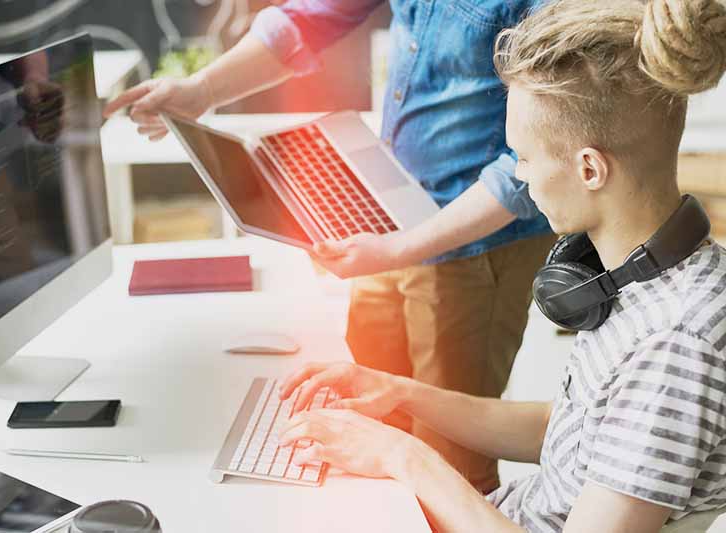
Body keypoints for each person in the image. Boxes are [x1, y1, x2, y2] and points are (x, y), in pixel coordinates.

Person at [275, 0, 726, 531]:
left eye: (524, 158)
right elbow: (566, 433)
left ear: (589, 169)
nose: (523, 179)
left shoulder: (674, 344)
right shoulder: (636, 280)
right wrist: (400, 393)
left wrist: (403, 457)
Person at [103, 0, 555, 493]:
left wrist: (400, 249)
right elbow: (307, 18)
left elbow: (527, 168)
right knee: (367, 422)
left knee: (450, 457)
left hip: (473, 243)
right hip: (389, 213)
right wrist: (200, 90)